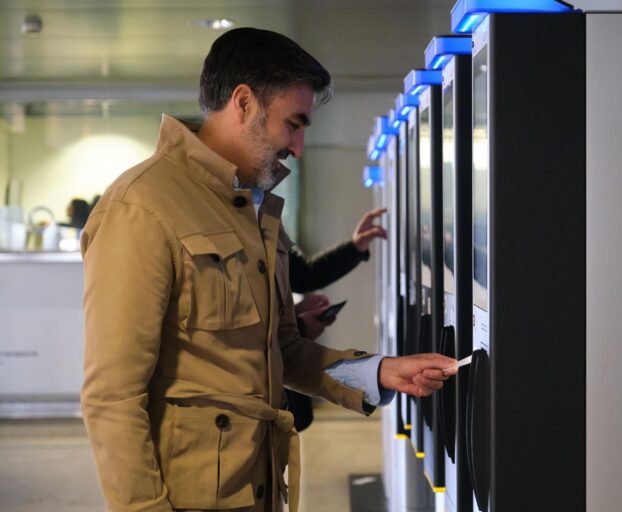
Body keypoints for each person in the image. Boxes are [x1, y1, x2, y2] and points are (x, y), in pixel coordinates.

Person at [80, 27, 456, 512]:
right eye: (293, 124)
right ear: (243, 103)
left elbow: (282, 349)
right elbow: (112, 396)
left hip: (258, 486)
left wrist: (378, 372)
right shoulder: (143, 206)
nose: (297, 147)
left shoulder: (249, 210)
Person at [286, 207, 388, 431]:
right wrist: (298, 323)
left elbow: (302, 274)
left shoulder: (261, 211)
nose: (278, 171)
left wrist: (354, 247)